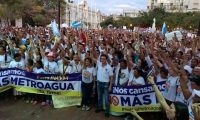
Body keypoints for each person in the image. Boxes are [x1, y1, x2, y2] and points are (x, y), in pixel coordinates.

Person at [91, 52, 113, 118]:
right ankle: (99, 107)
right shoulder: (99, 63)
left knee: (106, 99)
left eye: (104, 59)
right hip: (99, 83)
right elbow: (92, 58)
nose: (102, 60)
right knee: (99, 97)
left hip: (106, 84)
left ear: (106, 59)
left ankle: (107, 112)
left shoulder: (109, 67)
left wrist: (110, 86)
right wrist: (91, 50)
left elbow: (111, 77)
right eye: (101, 59)